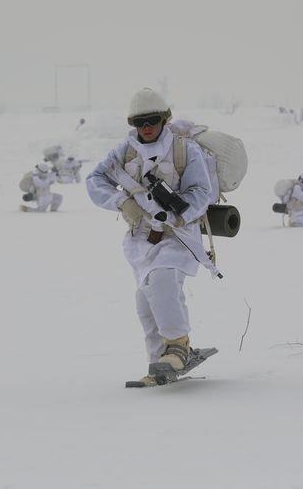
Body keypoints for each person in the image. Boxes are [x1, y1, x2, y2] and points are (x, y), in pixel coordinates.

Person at [86, 87, 215, 386]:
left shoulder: (185, 150)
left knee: (163, 279)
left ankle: (178, 346)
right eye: (139, 123)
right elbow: (95, 181)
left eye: (152, 121)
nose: (145, 128)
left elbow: (200, 192)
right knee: (145, 299)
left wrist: (175, 214)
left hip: (178, 232)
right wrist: (123, 203)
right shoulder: (124, 151)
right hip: (142, 236)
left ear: (165, 120)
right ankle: (160, 365)